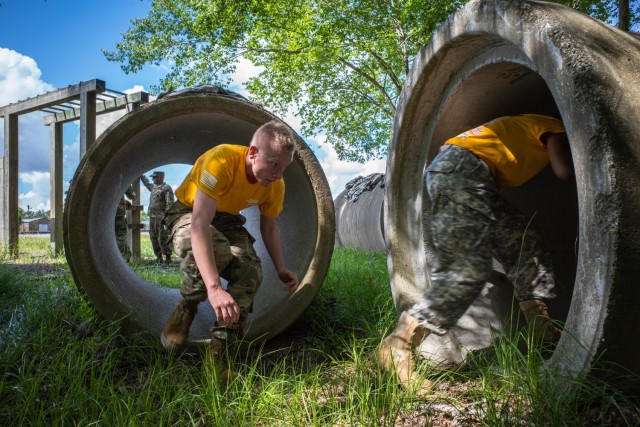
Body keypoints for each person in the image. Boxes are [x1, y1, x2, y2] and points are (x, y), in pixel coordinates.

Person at [373, 113, 573, 392]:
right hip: (462, 171)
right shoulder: (556, 128)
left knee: (524, 238)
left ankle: (540, 331)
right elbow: (564, 169)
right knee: (468, 270)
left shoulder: (527, 124)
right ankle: (398, 345)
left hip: (467, 174)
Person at [160, 120, 300, 379]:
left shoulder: (274, 184)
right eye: (274, 164)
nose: (279, 174)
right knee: (217, 249)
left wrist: (280, 268)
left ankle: (218, 358)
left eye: (284, 167)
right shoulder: (220, 161)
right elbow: (200, 224)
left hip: (227, 220)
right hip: (189, 212)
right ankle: (187, 308)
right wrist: (213, 289)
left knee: (251, 272)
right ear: (253, 152)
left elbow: (269, 228)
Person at [141, 171, 175, 264]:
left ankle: (168, 257)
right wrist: (141, 174)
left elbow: (170, 203)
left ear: (161, 177)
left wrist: (166, 216)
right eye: (152, 177)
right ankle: (158, 257)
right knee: (153, 237)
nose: (153, 179)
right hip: (152, 217)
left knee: (163, 237)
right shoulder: (153, 188)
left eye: (155, 177)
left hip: (161, 218)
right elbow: (147, 183)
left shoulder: (166, 188)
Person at [115, 185, 136, 259]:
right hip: (118, 213)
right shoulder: (121, 178)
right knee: (120, 236)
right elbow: (132, 195)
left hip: (103, 213)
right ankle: (124, 259)